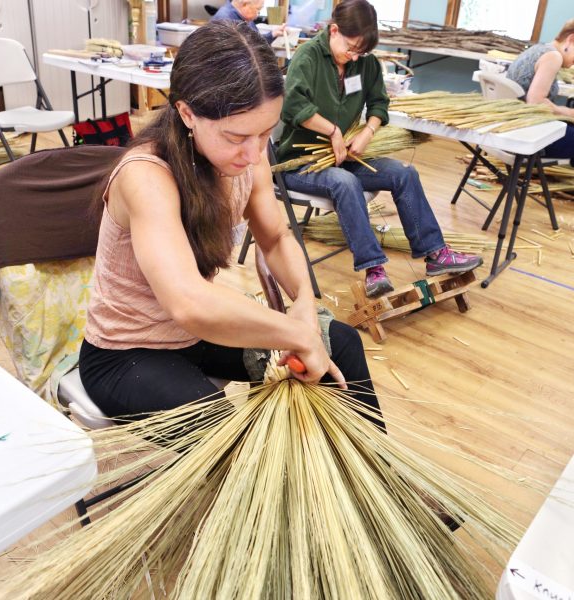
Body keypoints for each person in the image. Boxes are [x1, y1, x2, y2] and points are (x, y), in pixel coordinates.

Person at [78, 21, 383, 429]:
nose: (254, 152)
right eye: (237, 136)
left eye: (265, 133)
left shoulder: (248, 155)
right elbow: (188, 303)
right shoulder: (146, 177)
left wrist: (305, 307)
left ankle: (371, 473)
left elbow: (275, 238)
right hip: (127, 354)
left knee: (340, 343)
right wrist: (295, 335)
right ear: (187, 113)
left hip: (195, 338)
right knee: (228, 432)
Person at [278, 0, 483, 298]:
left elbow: (378, 103)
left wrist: (368, 131)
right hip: (300, 163)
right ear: (333, 30)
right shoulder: (308, 57)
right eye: (351, 47)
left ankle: (435, 254)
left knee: (404, 173)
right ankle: (373, 269)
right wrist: (333, 131)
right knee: (345, 183)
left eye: (361, 51)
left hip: (345, 157)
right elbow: (293, 105)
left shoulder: (365, 63)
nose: (354, 56)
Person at [506, 19, 574, 164]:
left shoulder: (539, 49)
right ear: (571, 39)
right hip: (529, 137)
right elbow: (535, 103)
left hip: (513, 130)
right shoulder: (553, 56)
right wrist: (569, 112)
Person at [212, 0, 286, 45]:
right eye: (258, 9)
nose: (257, 15)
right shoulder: (224, 21)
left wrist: (273, 34)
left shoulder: (244, 18)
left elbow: (255, 40)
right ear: (245, 5)